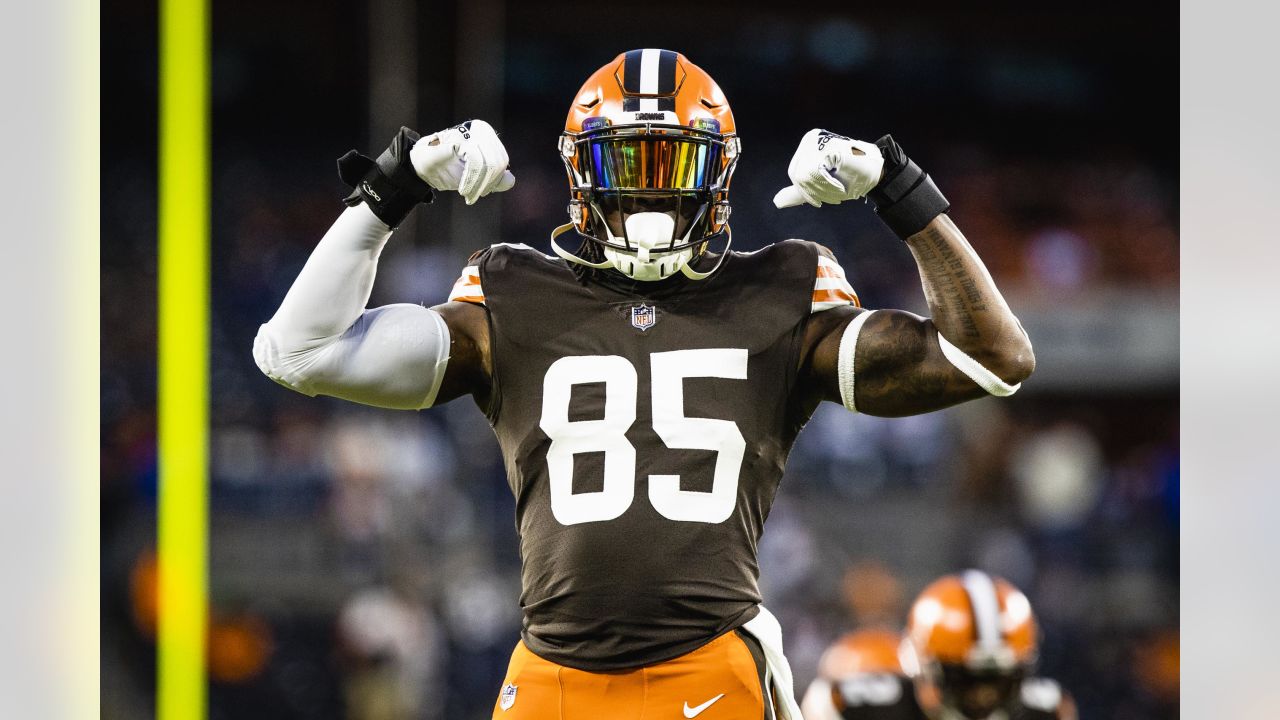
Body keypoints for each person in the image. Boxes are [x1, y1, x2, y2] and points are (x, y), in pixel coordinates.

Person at [253, 48, 1035, 719]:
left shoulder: (780, 290)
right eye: (626, 166)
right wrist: (397, 181)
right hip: (552, 673)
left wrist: (899, 188)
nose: (652, 199)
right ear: (579, 174)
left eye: (675, 167)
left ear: (717, 176)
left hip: (710, 666)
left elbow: (993, 357)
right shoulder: (511, 295)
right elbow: (295, 351)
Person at [800, 571, 1077, 720]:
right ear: (923, 667)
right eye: (964, 680)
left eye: (999, 682)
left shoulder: (1045, 709)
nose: (983, 697)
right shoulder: (860, 705)